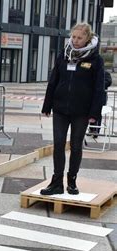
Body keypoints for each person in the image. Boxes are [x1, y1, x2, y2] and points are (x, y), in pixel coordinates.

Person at [41, 22, 105, 196]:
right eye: (74, 37)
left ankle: (72, 181)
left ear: (88, 38)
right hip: (60, 109)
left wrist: (94, 114)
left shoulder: (95, 59)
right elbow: (53, 80)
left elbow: (99, 88)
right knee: (59, 144)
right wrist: (47, 105)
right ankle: (56, 182)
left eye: (80, 37)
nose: (76, 41)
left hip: (82, 112)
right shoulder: (64, 55)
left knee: (76, 146)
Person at [88, 71, 112, 137]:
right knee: (90, 114)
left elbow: (108, 82)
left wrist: (98, 84)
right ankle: (91, 129)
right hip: (91, 97)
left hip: (101, 98)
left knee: (98, 114)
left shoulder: (106, 73)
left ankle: (96, 130)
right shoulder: (92, 73)